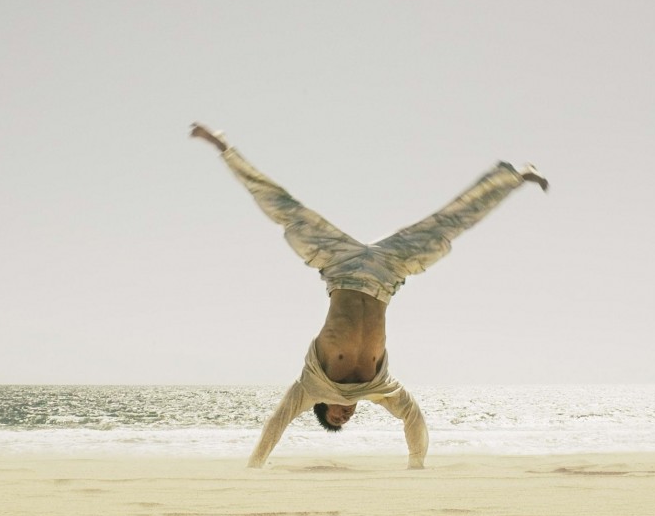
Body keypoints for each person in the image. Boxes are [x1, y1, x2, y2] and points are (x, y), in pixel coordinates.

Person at [190, 123, 547, 469]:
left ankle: (223, 146)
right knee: (448, 225)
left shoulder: (310, 386)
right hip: (388, 272)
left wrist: (254, 466)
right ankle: (515, 178)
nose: (345, 414)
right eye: (347, 418)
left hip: (339, 264)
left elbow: (278, 422)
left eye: (336, 416)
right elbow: (411, 415)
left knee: (284, 209)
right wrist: (416, 464)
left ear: (322, 406)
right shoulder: (378, 387)